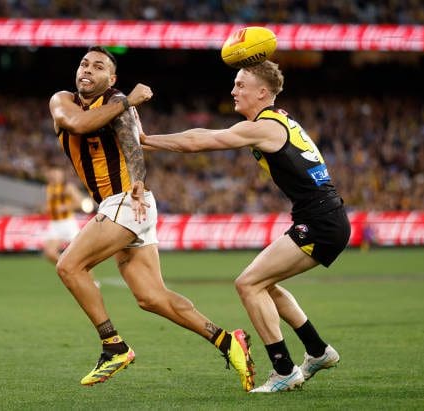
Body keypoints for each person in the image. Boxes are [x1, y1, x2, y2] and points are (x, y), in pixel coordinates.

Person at [48, 46, 254, 391]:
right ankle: (227, 341)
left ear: (111, 79)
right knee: (151, 297)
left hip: (127, 202)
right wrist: (129, 100)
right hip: (116, 207)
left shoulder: (116, 104)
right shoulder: (64, 100)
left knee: (69, 266)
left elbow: (133, 148)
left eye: (98, 67)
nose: (87, 70)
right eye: (84, 63)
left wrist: (139, 181)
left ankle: (113, 346)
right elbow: (76, 124)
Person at [141, 60, 350, 393]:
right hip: (324, 218)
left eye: (240, 85)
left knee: (248, 284)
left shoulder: (265, 126)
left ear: (262, 92)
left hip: (320, 221)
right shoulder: (278, 121)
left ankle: (284, 369)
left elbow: (199, 141)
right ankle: (318, 351)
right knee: (263, 283)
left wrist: (146, 139)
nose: (233, 91)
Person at [41, 166, 86, 264]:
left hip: (68, 223)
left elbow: (81, 202)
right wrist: (46, 208)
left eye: (57, 174)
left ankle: (89, 278)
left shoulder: (68, 187)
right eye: (52, 174)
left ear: (62, 175)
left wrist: (65, 207)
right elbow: (47, 205)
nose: (54, 176)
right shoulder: (49, 188)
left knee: (79, 256)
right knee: (50, 253)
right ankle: (68, 267)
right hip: (54, 224)